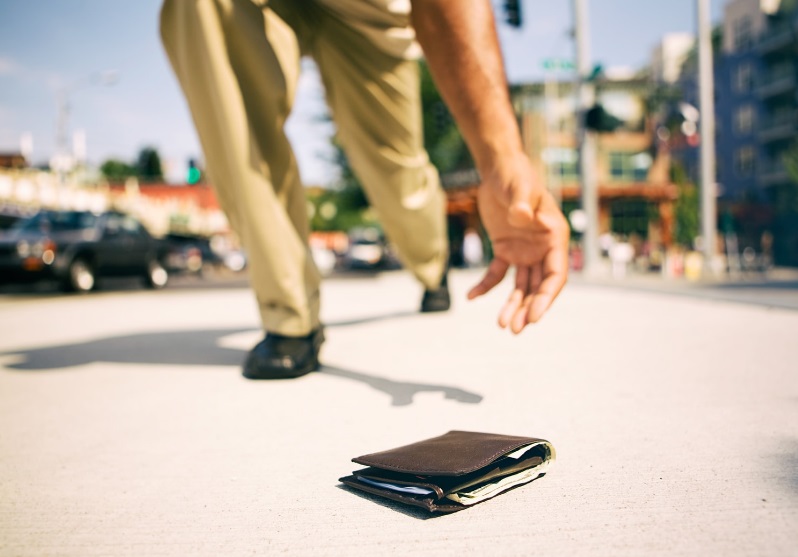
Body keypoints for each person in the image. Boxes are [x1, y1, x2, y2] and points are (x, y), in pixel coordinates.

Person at [159, 0, 569, 380]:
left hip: (369, 11)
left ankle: (430, 263)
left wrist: (500, 159)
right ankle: (291, 314)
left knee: (394, 165)